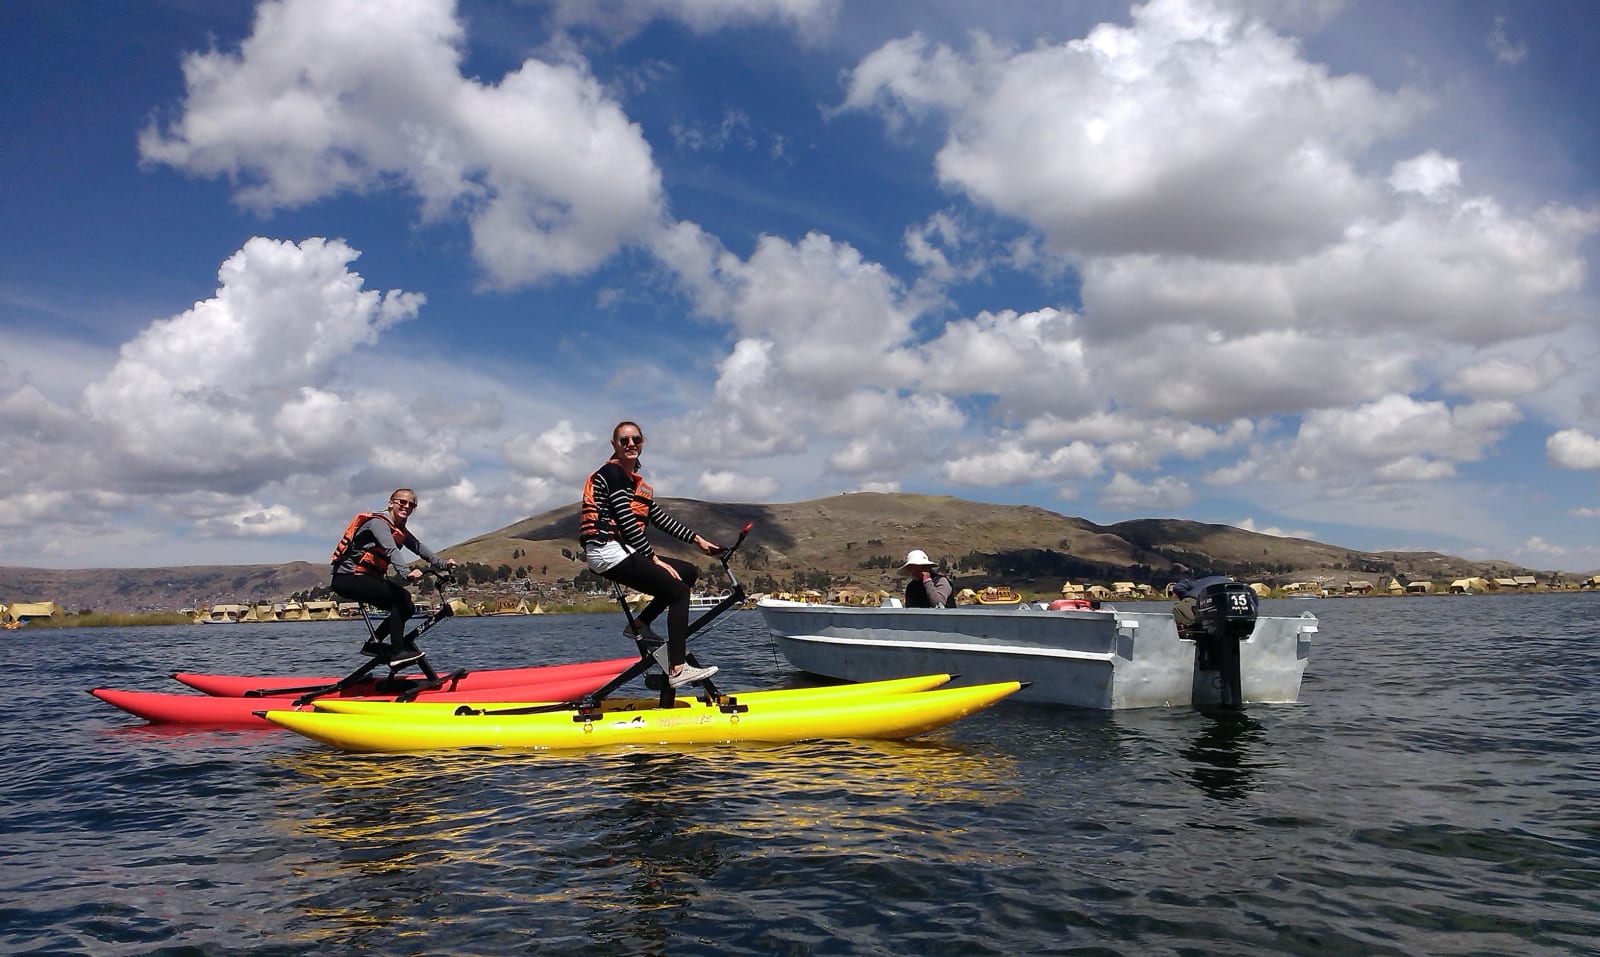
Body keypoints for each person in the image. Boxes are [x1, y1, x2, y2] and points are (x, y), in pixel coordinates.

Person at [580, 421, 722, 688]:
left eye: (636, 439)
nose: (631, 444)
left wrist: (698, 540)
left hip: (620, 550)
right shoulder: (613, 474)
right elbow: (626, 520)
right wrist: (652, 558)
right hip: (606, 550)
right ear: (614, 446)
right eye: (624, 440)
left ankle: (641, 624)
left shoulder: (633, 483)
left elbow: (658, 518)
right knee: (679, 592)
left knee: (688, 572)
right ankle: (678, 669)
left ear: (642, 442)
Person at [330, 489, 455, 658]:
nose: (406, 506)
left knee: (407, 607)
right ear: (391, 503)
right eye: (401, 502)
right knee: (402, 598)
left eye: (411, 504)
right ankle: (397, 653)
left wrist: (443, 564)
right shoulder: (378, 523)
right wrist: (406, 573)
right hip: (348, 578)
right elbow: (390, 550)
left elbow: (419, 548)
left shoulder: (400, 530)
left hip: (364, 578)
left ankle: (374, 645)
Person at [1169, 575, 1236, 636]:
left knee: (1188, 633)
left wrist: (1188, 596)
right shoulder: (1234, 587)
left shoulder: (1201, 581)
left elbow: (1177, 587)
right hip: (1211, 611)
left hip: (1190, 603)